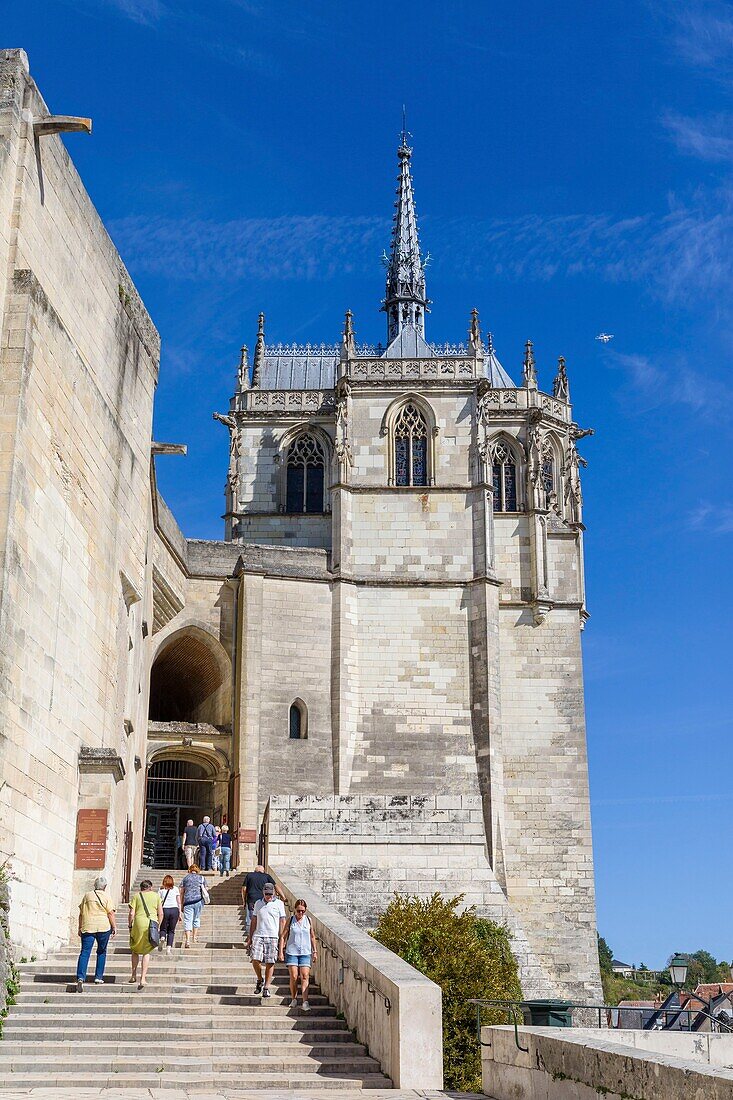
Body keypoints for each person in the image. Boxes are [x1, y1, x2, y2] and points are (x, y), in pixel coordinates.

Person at [75, 876, 117, 993]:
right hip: (103, 927)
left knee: (84, 952)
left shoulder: (87, 895)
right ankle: (98, 977)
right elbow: (110, 913)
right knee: (101, 951)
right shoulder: (107, 896)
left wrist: (80, 927)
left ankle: (80, 977)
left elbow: (81, 913)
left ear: (95, 885)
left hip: (88, 926)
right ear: (105, 887)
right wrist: (114, 927)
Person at [247, 881, 286, 998]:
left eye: (270, 894)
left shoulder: (279, 904)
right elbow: (254, 920)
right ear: (263, 893)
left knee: (270, 962)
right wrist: (250, 937)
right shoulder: (258, 903)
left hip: (273, 935)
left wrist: (282, 938)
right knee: (255, 959)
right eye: (267, 894)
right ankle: (260, 979)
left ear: (274, 893)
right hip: (259, 934)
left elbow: (282, 921)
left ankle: (266, 987)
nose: (269, 896)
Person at [281, 897, 317, 1011]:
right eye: (298, 911)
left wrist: (315, 951)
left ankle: (305, 1001)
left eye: (302, 911)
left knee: (305, 976)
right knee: (294, 976)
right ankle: (294, 998)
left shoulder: (308, 920)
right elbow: (283, 936)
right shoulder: (291, 920)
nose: (300, 913)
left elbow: (312, 936)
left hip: (305, 951)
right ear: (295, 910)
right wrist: (280, 951)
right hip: (292, 951)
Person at [128, 878, 163, 990]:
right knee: (146, 952)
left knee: (135, 950)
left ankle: (133, 975)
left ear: (141, 888)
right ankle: (143, 978)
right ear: (150, 887)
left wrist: (130, 925)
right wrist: (158, 925)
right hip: (151, 923)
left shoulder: (136, 896)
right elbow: (161, 913)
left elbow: (131, 913)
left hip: (138, 923)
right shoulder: (156, 896)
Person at [241, 864, 284, 932]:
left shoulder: (249, 875)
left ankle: (250, 937)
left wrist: (244, 901)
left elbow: (244, 889)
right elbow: (276, 886)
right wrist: (283, 897)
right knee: (262, 919)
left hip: (251, 900)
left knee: (251, 919)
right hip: (263, 901)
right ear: (263, 871)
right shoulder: (266, 876)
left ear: (255, 871)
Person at [179, 863, 206, 948]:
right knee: (196, 919)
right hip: (198, 901)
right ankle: (194, 937)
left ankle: (187, 940)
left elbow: (182, 892)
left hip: (188, 902)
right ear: (197, 870)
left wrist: (181, 903)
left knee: (188, 920)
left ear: (190, 870)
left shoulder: (186, 878)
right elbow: (206, 889)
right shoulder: (201, 878)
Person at [158, 874, 180, 954]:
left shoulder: (160, 890)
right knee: (171, 930)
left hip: (164, 910)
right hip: (174, 910)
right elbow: (179, 902)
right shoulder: (176, 889)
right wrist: (180, 913)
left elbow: (159, 902)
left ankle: (162, 937)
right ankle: (168, 949)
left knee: (163, 928)